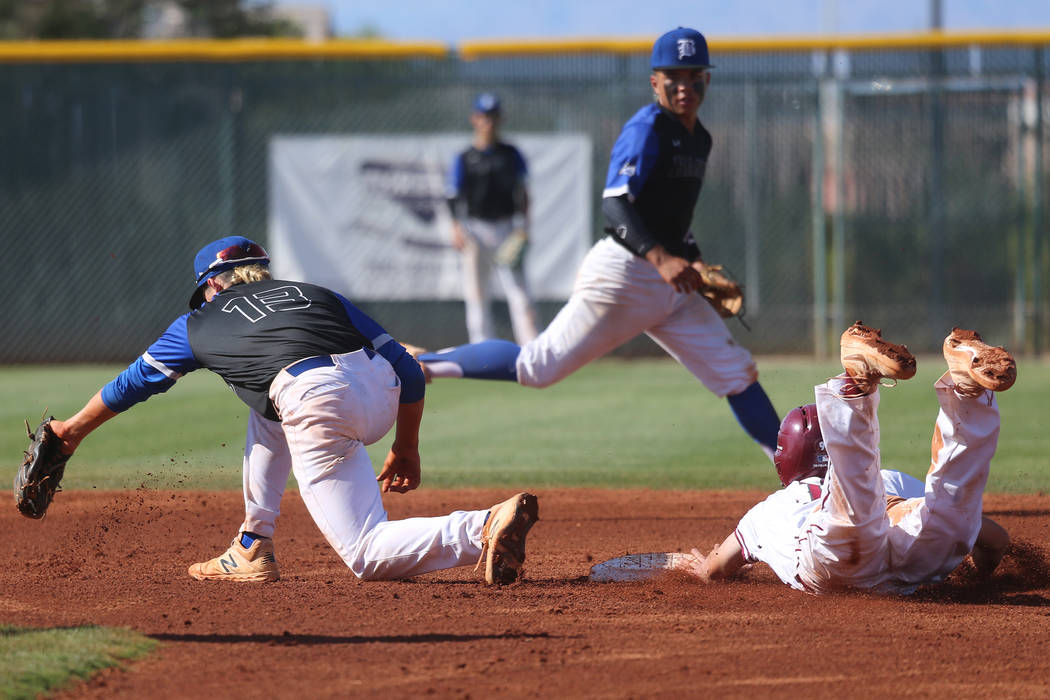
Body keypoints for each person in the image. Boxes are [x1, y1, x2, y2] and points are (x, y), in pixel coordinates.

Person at [46, 236, 539, 585]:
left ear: (210, 287)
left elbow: (133, 384)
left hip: (315, 399)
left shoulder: (197, 322)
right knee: (266, 405)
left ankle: (481, 526)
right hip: (379, 389)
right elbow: (409, 373)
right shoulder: (319, 295)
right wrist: (406, 448)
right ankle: (252, 546)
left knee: (367, 553)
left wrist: (70, 431)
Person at [414, 28, 781, 457]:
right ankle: (422, 363)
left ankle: (802, 479)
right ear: (654, 82)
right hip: (623, 274)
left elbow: (674, 219)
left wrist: (694, 262)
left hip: (673, 285)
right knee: (538, 367)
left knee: (736, 372)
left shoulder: (700, 138)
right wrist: (662, 259)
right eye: (672, 77)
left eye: (693, 76)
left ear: (707, 80)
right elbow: (616, 206)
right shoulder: (647, 130)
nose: (684, 87)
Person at [679, 321, 1017, 594]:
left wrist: (703, 567)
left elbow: (713, 570)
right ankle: (968, 393)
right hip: (909, 560)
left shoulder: (772, 508)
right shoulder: (891, 479)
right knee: (950, 509)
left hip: (833, 563)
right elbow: (990, 537)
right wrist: (967, 570)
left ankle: (855, 387)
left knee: (853, 507)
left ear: (788, 456)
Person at [447, 92, 539, 345]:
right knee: (476, 294)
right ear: (474, 119)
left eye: (494, 116)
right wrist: (456, 227)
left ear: (501, 119)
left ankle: (532, 349)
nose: (489, 122)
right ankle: (481, 348)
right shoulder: (464, 158)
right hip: (475, 229)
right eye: (485, 116)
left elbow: (524, 192)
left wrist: (525, 228)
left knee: (520, 293)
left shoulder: (511, 154)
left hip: (507, 228)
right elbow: (453, 196)